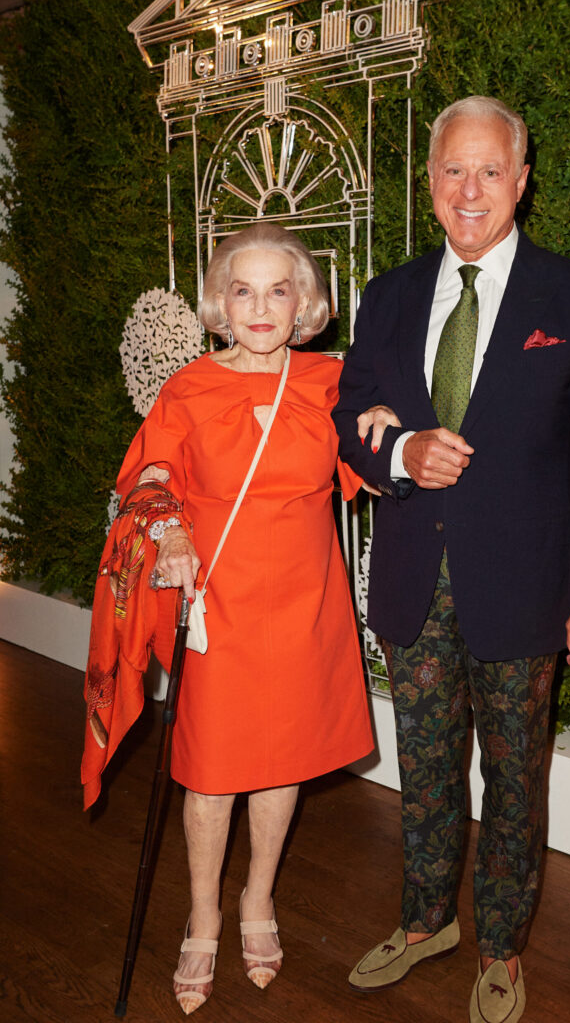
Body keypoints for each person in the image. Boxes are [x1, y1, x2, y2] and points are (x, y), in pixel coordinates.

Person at [332, 96, 570, 1023]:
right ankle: (426, 921)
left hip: (529, 592)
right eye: (452, 172)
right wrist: (398, 455)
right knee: (424, 772)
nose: (471, 190)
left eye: (490, 171)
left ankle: (501, 947)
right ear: (429, 185)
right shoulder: (386, 297)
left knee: (514, 782)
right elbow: (351, 420)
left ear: (522, 181)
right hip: (412, 588)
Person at [84, 223, 373, 1015]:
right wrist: (170, 527)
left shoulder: (331, 383)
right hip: (221, 607)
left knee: (282, 765)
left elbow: (379, 463)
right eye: (242, 290)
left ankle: (257, 901)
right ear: (219, 301)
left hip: (305, 604)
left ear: (304, 303)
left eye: (279, 289)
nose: (260, 306)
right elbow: (145, 476)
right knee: (211, 774)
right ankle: (204, 915)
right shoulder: (190, 388)